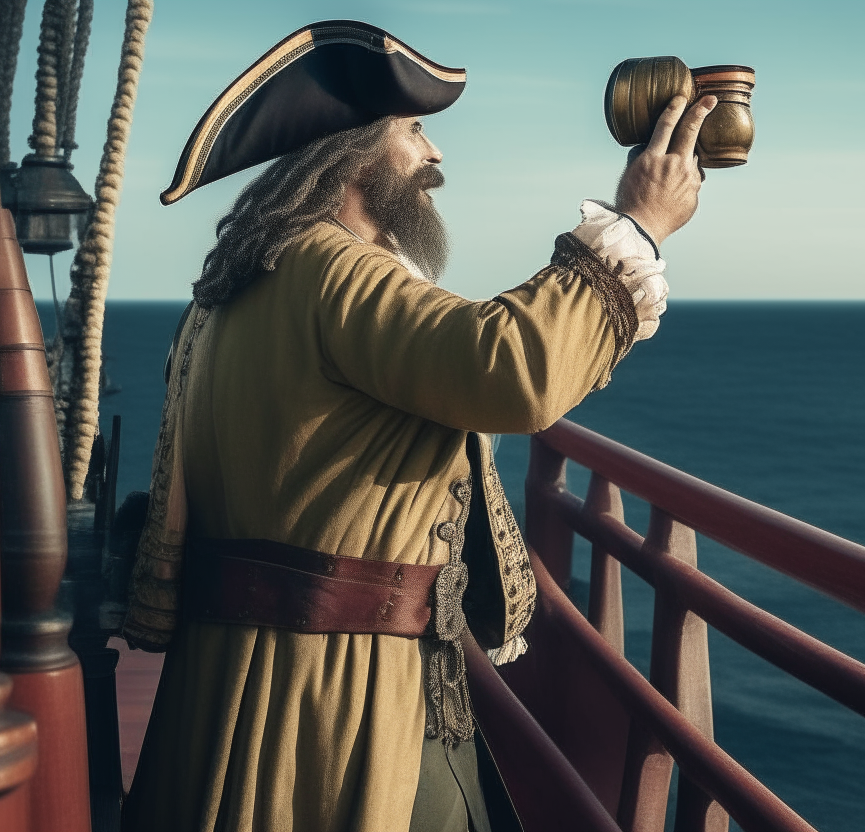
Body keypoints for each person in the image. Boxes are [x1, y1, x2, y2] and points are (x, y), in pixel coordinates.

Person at [119, 20, 715, 832]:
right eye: (414, 130)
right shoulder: (330, 269)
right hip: (342, 696)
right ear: (353, 149)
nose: (434, 156)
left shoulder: (228, 295)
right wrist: (637, 224)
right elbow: (506, 367)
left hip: (229, 684)